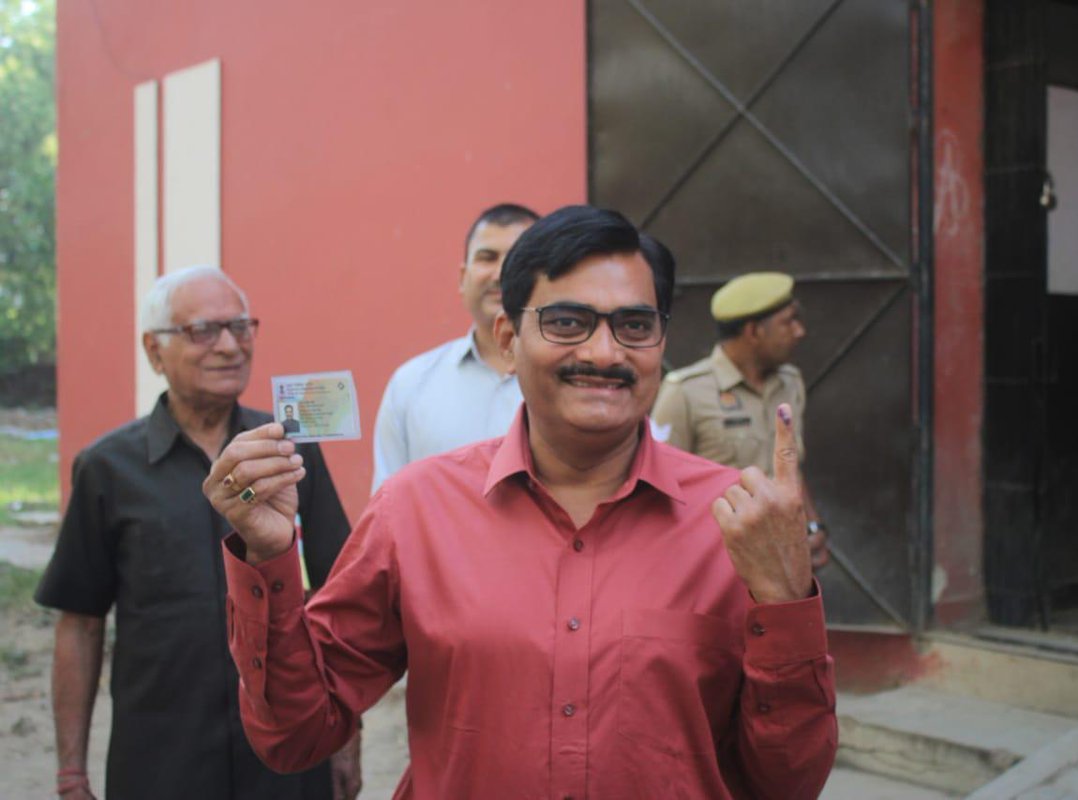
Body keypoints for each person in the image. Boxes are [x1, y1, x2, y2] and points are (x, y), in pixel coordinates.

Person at [204, 207, 837, 798]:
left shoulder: (733, 525)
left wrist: (785, 602)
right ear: (507, 339)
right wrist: (269, 554)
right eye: (567, 322)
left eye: (634, 325)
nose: (604, 352)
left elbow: (788, 780)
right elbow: (296, 735)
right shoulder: (415, 510)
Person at [35, 266, 361, 800]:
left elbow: (335, 597)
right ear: (154, 350)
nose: (230, 346)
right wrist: (71, 772)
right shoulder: (107, 467)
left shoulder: (291, 454)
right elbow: (80, 623)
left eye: (241, 326)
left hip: (287, 752)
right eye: (203, 331)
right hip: (161, 755)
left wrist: (347, 741)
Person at [653, 271, 831, 556]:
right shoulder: (684, 392)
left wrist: (814, 526)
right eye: (788, 321)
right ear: (753, 332)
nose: (799, 331)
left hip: (784, 552)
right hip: (717, 556)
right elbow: (659, 490)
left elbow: (791, 467)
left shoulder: (790, 382)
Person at [370, 202, 539, 491]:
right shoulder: (410, 385)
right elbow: (388, 505)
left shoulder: (574, 382)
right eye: (487, 257)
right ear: (463, 278)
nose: (500, 273)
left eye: (516, 258)